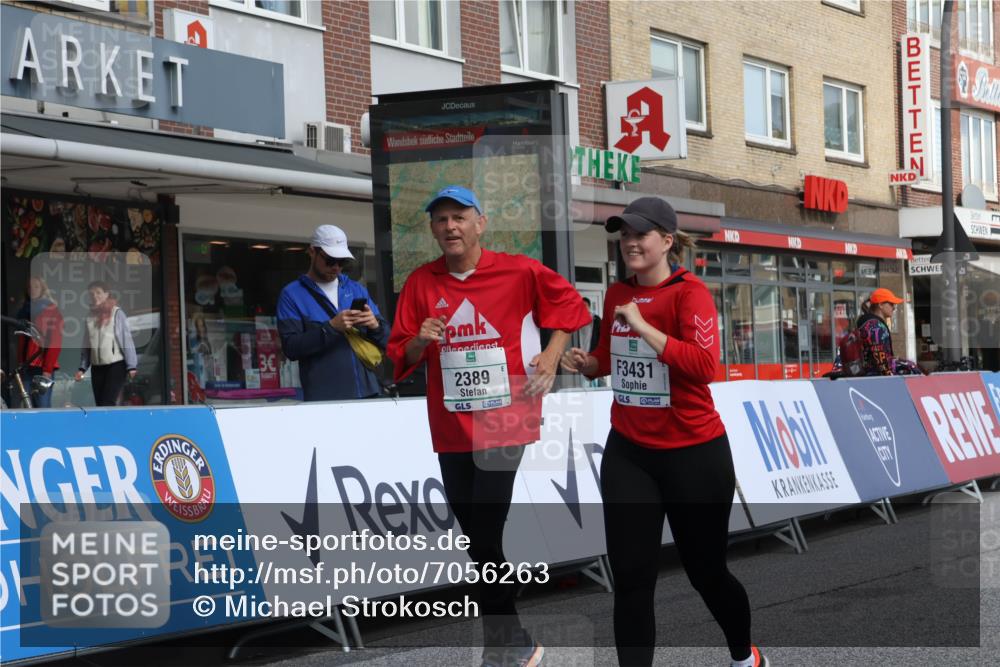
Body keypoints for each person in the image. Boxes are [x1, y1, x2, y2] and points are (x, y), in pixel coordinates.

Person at [387, 185, 590, 667]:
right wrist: (419, 340)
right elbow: (400, 356)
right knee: (478, 536)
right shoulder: (421, 282)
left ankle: (509, 644)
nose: (450, 227)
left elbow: (572, 309)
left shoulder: (519, 270)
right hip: (451, 425)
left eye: (459, 217)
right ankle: (511, 640)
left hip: (507, 419)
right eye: (441, 220)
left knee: (484, 533)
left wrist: (552, 354)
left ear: (480, 223)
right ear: (433, 230)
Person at [560, 197, 768, 667]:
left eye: (641, 234)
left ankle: (745, 655)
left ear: (667, 241)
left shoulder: (688, 292)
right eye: (624, 235)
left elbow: (704, 367)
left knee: (706, 572)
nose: (630, 242)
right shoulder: (616, 294)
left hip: (694, 451)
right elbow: (611, 360)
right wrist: (588, 363)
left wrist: (643, 325)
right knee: (631, 576)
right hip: (631, 452)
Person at [277, 224, 389, 401]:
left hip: (368, 393)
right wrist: (331, 328)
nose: (336, 267)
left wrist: (375, 326)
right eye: (330, 260)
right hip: (325, 398)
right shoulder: (292, 294)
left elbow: (389, 341)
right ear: (312, 252)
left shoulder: (356, 289)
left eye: (342, 262)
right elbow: (291, 348)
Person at [75, 281, 137, 407]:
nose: (95, 296)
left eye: (98, 292)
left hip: (116, 365)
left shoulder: (117, 313)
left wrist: (132, 366)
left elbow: (127, 340)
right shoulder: (89, 317)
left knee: (108, 402)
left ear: (107, 294)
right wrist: (82, 368)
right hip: (97, 367)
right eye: (92, 294)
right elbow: (87, 345)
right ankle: (104, 427)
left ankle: (112, 427)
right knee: (100, 404)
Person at [15, 276, 63, 408]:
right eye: (29, 287)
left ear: (42, 288)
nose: (32, 290)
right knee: (27, 406)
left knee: (42, 406)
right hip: (26, 366)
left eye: (36, 286)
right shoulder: (23, 311)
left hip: (41, 367)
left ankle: (46, 429)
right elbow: (22, 341)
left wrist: (47, 370)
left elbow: (55, 343)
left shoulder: (51, 310)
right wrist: (20, 364)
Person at [857, 288, 921, 376]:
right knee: (911, 368)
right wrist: (890, 377)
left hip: (869, 377)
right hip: (876, 379)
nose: (894, 307)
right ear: (880, 305)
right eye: (891, 304)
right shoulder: (876, 327)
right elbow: (880, 361)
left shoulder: (868, 324)